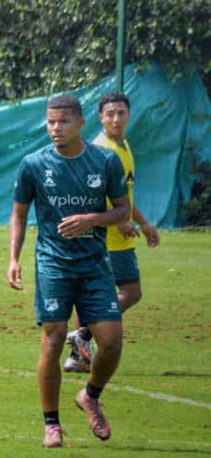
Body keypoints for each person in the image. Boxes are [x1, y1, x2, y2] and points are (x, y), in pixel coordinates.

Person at [8, 94, 131, 448]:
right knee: (54, 338)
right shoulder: (32, 164)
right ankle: (51, 424)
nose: (55, 129)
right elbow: (18, 213)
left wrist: (92, 219)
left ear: (80, 124)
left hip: (94, 264)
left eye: (62, 122)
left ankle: (90, 395)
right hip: (53, 262)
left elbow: (122, 211)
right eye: (50, 122)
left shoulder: (105, 161)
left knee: (111, 341)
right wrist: (13, 259)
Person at [63, 91, 161, 373]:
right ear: (100, 117)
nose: (116, 119)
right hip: (108, 238)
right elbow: (94, 194)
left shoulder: (124, 146)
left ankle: (77, 355)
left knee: (91, 295)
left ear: (129, 115)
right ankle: (83, 335)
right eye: (110, 114)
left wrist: (142, 222)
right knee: (131, 292)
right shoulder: (101, 149)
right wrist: (120, 222)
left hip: (118, 234)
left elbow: (123, 195)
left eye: (121, 113)